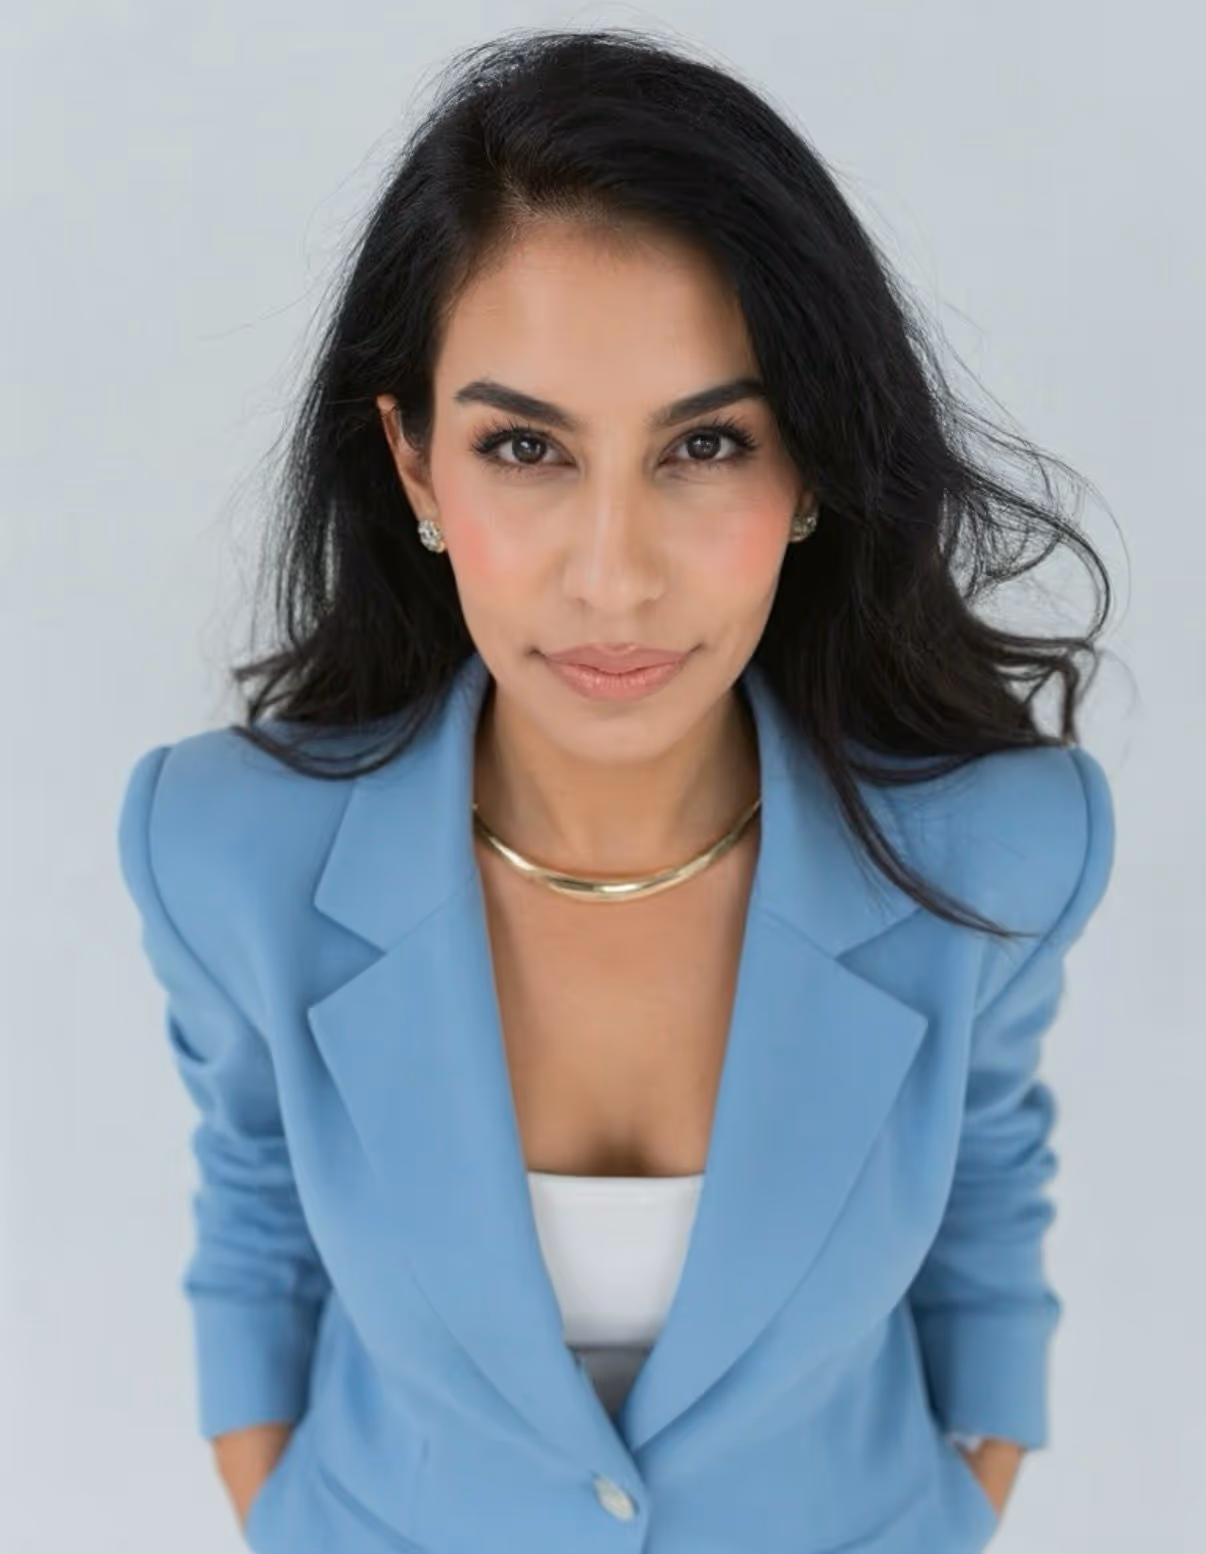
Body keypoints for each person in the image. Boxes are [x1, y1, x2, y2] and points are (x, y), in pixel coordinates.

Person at [115, 26, 1118, 1554]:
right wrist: (280, 1508)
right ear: (414, 466)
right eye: (524, 445)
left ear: (808, 467)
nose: (611, 576)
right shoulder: (223, 852)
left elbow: (986, 1186)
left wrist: (965, 1493)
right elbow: (252, 1206)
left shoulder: (1002, 851)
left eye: (704, 442)